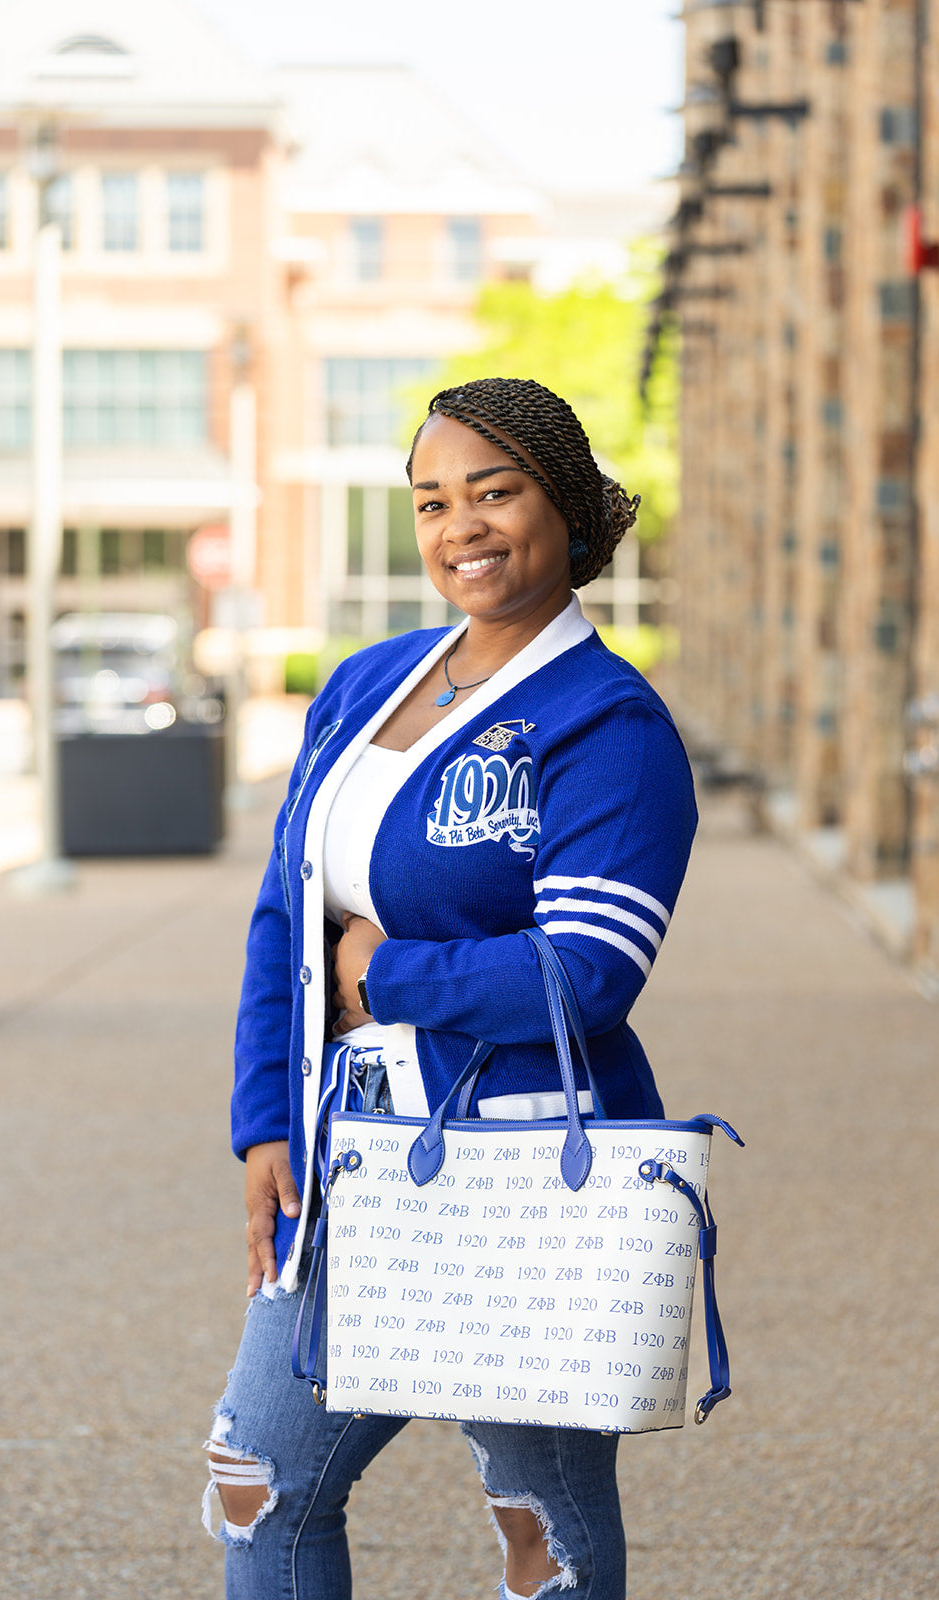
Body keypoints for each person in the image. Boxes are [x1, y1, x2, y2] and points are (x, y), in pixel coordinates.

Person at [203, 377, 698, 1600]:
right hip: (343, 1151)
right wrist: (264, 1119)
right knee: (256, 1482)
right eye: (431, 501)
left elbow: (582, 974)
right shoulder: (363, 682)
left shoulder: (609, 724)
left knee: (537, 1523)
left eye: (494, 491)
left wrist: (384, 974)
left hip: (513, 1166)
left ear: (564, 507)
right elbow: (284, 917)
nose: (460, 526)